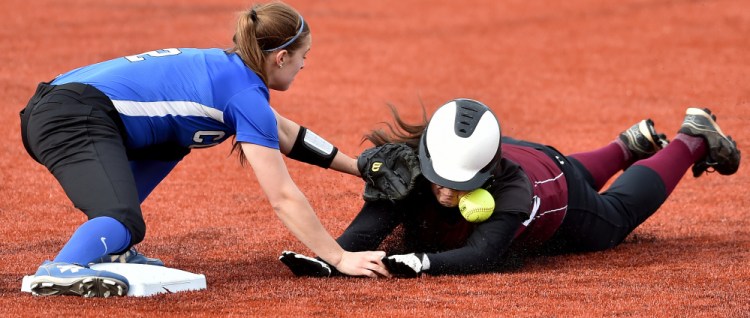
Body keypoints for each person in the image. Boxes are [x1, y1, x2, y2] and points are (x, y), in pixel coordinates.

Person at [20, 2, 388, 297]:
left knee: (172, 142)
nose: (304, 64)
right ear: (280, 58)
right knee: (121, 219)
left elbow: (286, 134)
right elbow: (282, 196)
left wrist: (358, 167)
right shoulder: (244, 94)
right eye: (303, 55)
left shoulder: (230, 71)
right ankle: (60, 268)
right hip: (71, 115)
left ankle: (112, 246)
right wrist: (338, 257)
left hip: (67, 105)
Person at [279, 98, 741, 277]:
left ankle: (692, 139)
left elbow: (482, 255)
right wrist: (328, 259)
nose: (446, 193)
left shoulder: (515, 196)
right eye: (441, 180)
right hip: (529, 153)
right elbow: (363, 235)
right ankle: (627, 145)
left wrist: (422, 262)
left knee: (612, 219)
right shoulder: (408, 166)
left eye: (461, 186)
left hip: (559, 191)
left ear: (484, 176)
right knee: (576, 168)